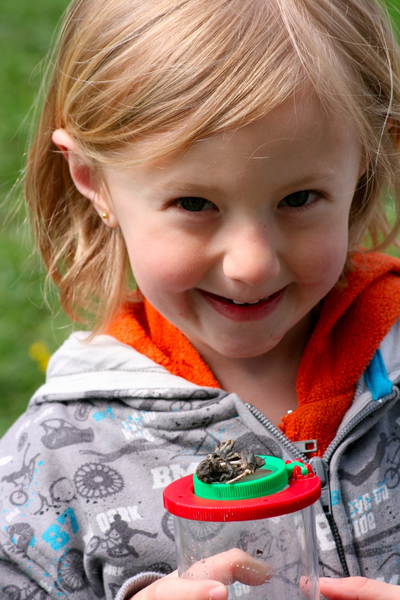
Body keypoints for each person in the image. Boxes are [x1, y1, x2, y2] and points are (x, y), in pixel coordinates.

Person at [1, 0, 400, 597]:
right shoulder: (49, 463)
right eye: (194, 204)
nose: (251, 264)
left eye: (298, 199)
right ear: (93, 179)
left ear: (367, 161)